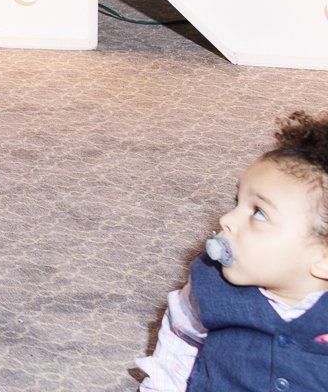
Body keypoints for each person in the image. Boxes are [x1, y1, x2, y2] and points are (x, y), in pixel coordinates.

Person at [137, 111, 328, 390]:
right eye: (237, 201)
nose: (226, 219)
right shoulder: (209, 285)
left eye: (259, 213)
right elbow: (181, 339)